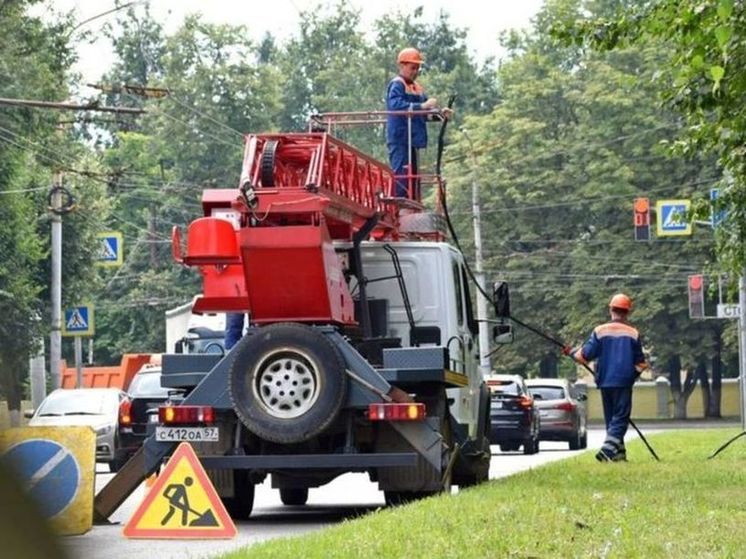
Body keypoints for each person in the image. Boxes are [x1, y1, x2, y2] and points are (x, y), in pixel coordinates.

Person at [563, 293, 648, 462]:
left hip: (604, 381)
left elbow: (583, 356)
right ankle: (608, 450)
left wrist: (571, 352)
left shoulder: (600, 331)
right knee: (621, 418)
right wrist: (632, 376)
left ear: (611, 310)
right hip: (623, 382)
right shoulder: (633, 333)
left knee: (612, 418)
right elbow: (641, 364)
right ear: (627, 312)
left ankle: (619, 455)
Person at [385, 47, 450, 198]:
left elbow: (424, 113)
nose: (415, 71)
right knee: (402, 172)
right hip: (400, 138)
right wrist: (422, 106)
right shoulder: (397, 84)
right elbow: (395, 106)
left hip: (413, 139)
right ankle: (400, 202)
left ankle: (412, 200)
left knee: (413, 174)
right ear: (402, 66)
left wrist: (440, 114)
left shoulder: (417, 89)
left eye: (417, 68)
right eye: (412, 68)